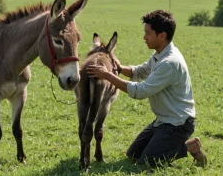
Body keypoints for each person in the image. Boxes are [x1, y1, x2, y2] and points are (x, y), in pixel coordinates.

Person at [86, 10, 207, 167]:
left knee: (148, 162)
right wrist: (119, 67)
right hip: (163, 120)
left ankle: (191, 146)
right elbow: (139, 72)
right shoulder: (160, 54)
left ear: (162, 35)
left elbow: (140, 91)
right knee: (133, 155)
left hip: (178, 124)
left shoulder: (169, 63)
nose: (144, 38)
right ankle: (164, 146)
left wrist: (107, 75)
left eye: (148, 33)